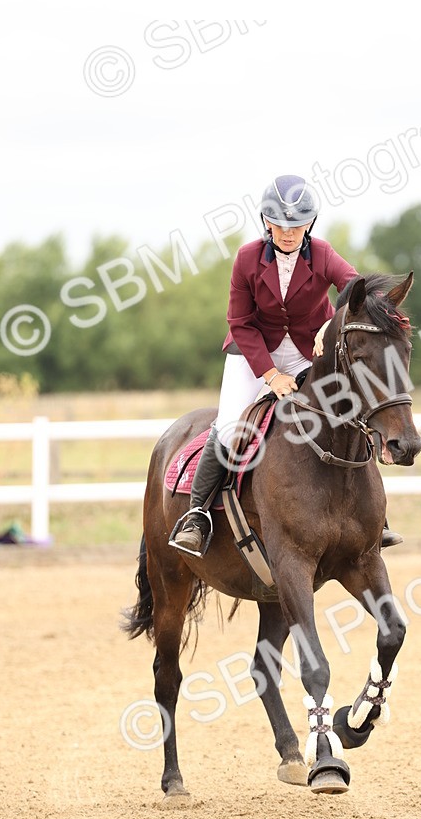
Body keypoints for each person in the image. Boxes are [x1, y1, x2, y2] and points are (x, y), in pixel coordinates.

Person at [169, 174, 403, 556]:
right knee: (229, 428)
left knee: (344, 410)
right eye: (280, 224)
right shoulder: (246, 258)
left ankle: (375, 517)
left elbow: (356, 289)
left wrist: (333, 322)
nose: (289, 232)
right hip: (251, 352)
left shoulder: (323, 253)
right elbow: (240, 323)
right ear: (267, 222)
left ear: (309, 223)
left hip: (305, 350)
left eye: (297, 224)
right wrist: (271, 375)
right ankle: (197, 515)